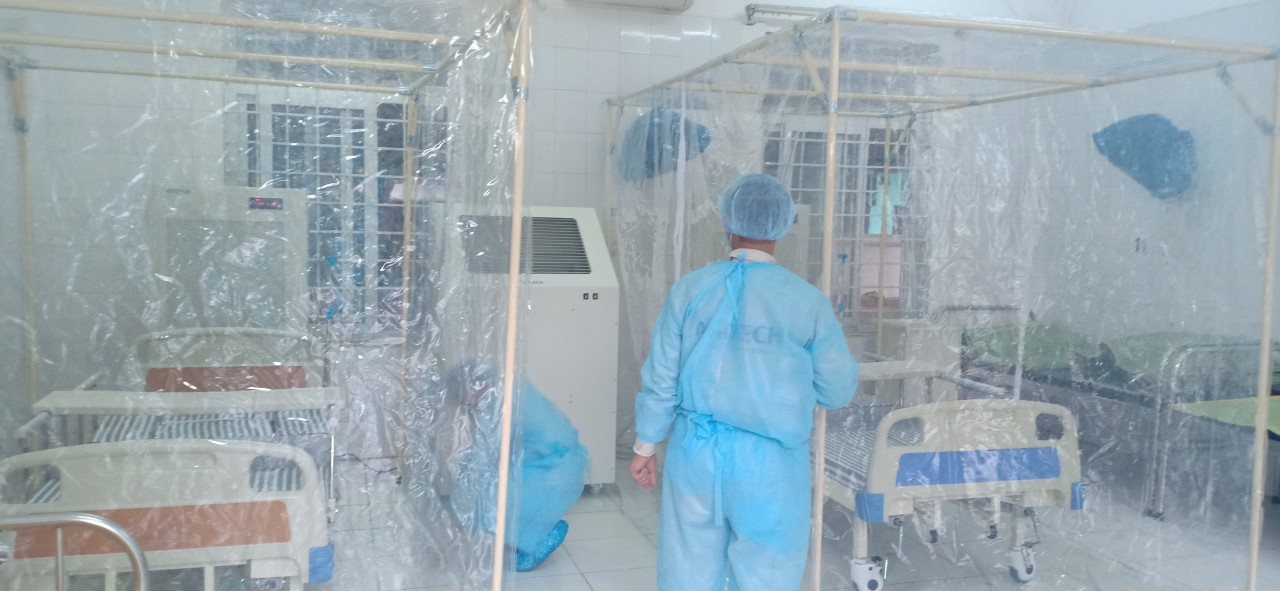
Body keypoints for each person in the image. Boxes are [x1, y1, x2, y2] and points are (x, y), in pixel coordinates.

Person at [630, 173, 858, 591]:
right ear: (782, 227)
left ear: (728, 223)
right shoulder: (806, 302)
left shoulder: (689, 290)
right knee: (766, 572)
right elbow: (837, 390)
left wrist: (645, 446)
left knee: (687, 568)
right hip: (769, 465)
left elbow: (661, 377)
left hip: (694, 454)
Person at [448, 360, 589, 572]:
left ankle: (546, 535)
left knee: (489, 495)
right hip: (559, 466)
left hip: (553, 473)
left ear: (473, 386)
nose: (467, 406)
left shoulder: (497, 404)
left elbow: (481, 457)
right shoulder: (510, 389)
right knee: (492, 490)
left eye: (464, 399)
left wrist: (458, 505)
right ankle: (534, 530)